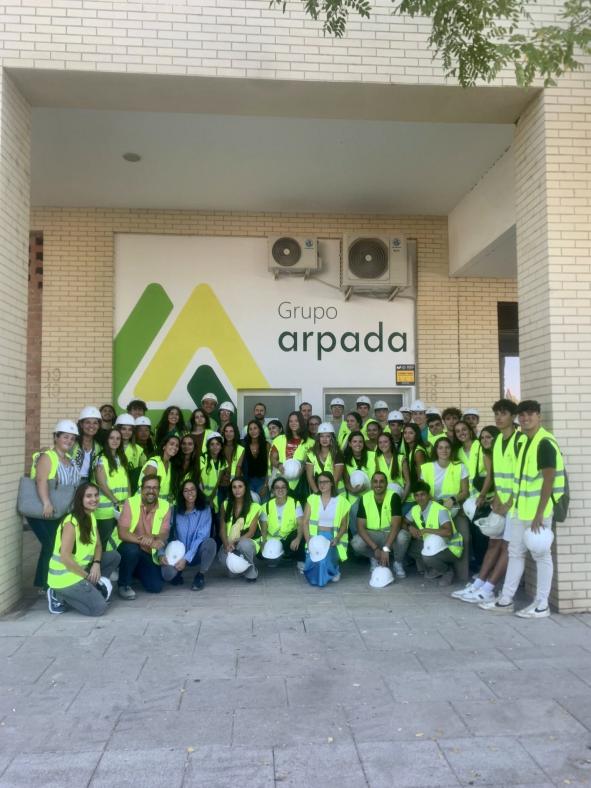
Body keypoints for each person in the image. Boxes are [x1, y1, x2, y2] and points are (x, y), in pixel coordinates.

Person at [480, 399, 566, 618]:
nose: (526, 419)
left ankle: (542, 604)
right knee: (515, 553)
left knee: (541, 556)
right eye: (523, 415)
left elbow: (549, 479)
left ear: (539, 416)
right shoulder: (526, 441)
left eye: (530, 414)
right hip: (520, 510)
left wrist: (539, 513)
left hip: (538, 513)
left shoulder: (544, 442)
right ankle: (506, 600)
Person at [454, 406, 515, 604]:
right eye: (484, 438)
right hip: (497, 503)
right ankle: (481, 583)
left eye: (489, 437)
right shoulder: (494, 451)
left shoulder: (506, 448)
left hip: (510, 506)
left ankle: (490, 588)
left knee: (505, 547)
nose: (486, 440)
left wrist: (492, 498)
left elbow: (505, 478)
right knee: (494, 543)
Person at [46, 482, 121, 616]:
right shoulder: (71, 522)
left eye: (96, 495)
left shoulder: (91, 516)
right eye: (88, 496)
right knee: (99, 608)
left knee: (114, 556)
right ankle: (58, 595)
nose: (94, 499)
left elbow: (98, 545)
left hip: (79, 569)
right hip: (64, 576)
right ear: (80, 499)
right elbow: (65, 557)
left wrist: (96, 564)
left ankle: (89, 590)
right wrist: (87, 577)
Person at [29, 419, 81, 590]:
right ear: (56, 437)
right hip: (43, 511)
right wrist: (46, 503)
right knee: (53, 546)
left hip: (61, 512)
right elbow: (41, 479)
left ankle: (42, 583)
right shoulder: (48, 457)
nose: (69, 441)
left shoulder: (70, 459)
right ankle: (48, 585)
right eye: (65, 437)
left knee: (50, 546)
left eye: (72, 438)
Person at [419, 436, 470, 580]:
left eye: (447, 447)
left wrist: (453, 499)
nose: (444, 450)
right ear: (436, 450)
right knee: (432, 540)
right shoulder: (427, 467)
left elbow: (465, 491)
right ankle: (439, 568)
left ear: (451, 450)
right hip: (434, 511)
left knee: (464, 538)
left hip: (455, 510)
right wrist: (435, 503)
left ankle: (462, 576)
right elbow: (422, 492)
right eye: (440, 447)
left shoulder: (459, 466)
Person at [116, 475, 171, 598]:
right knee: (131, 550)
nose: (151, 491)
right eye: (148, 487)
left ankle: (133, 571)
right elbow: (122, 532)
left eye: (155, 488)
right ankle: (124, 584)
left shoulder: (165, 506)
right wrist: (146, 541)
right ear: (141, 489)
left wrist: (156, 538)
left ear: (159, 490)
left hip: (148, 554)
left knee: (156, 587)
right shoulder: (130, 502)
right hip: (130, 547)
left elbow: (164, 533)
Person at [404, 481, 464, 586]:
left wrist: (427, 530)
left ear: (428, 495)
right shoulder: (415, 509)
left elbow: (448, 532)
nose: (420, 498)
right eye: (416, 495)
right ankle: (435, 568)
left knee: (428, 556)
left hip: (451, 547)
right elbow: (403, 522)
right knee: (408, 545)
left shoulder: (439, 509)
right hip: (433, 544)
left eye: (422, 494)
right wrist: (410, 527)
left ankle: (447, 571)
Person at [162, 480, 216, 590]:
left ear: (197, 491)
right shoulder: (174, 510)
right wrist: (161, 553)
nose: (189, 493)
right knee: (167, 575)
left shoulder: (205, 509)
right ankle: (178, 572)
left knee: (210, 543)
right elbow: (164, 532)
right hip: (177, 552)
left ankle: (200, 575)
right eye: (185, 491)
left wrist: (186, 558)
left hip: (196, 552)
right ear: (182, 494)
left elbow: (202, 536)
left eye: (192, 489)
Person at [351, 472, 404, 577]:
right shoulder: (364, 498)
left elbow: (396, 526)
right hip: (373, 534)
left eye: (381, 481)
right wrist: (375, 548)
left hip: (389, 533)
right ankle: (375, 557)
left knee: (403, 536)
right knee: (356, 542)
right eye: (375, 482)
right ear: (371, 484)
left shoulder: (394, 497)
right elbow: (360, 527)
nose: (378, 484)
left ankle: (398, 562)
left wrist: (386, 548)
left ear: (386, 483)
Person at [302, 471, 350, 587]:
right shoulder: (312, 499)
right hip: (315, 536)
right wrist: (308, 541)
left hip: (332, 538)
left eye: (325, 482)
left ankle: (334, 570)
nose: (322, 485)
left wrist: (337, 538)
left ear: (332, 483)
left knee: (323, 560)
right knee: (313, 561)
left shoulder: (342, 501)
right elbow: (305, 522)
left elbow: (344, 525)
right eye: (319, 482)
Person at [93, 427, 131, 550]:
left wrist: (128, 500)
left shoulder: (121, 458)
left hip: (120, 508)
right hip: (106, 510)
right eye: (111, 438)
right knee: (103, 543)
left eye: (118, 438)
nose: (115, 441)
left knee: (116, 540)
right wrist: (116, 501)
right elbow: (101, 483)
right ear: (106, 440)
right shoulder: (101, 459)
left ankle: (112, 565)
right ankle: (100, 568)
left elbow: (127, 481)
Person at [218, 477, 262, 582]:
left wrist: (235, 542)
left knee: (244, 545)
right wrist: (226, 545)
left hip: (247, 541)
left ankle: (251, 572)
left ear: (245, 488)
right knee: (232, 573)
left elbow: (251, 533)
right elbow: (222, 530)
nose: (237, 490)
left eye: (240, 487)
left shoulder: (254, 507)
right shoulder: (225, 505)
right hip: (229, 543)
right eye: (234, 487)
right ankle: (241, 567)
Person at [259, 476, 305, 563]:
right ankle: (278, 557)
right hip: (272, 538)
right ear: (272, 490)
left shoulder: (295, 503)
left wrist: (298, 538)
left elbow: (300, 524)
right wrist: (263, 543)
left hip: (287, 538)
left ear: (287, 489)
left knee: (301, 536)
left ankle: (300, 561)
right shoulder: (266, 506)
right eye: (277, 487)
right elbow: (264, 530)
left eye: (283, 487)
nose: (280, 490)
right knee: (260, 555)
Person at [270, 411, 312, 499]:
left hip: (301, 482)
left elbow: (310, 462)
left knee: (299, 508)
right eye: (290, 421)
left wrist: (303, 467)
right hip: (281, 480)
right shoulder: (279, 439)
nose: (293, 423)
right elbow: (273, 458)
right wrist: (279, 464)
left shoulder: (310, 442)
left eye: (296, 421)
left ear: (301, 422)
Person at [343, 430, 376, 534]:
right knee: (356, 526)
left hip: (371, 495)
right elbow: (346, 481)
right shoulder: (345, 459)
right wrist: (353, 490)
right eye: (355, 441)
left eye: (360, 441)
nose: (358, 444)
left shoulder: (372, 455)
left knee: (372, 525)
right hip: (354, 497)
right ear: (349, 443)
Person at [139, 434, 181, 503]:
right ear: (164, 446)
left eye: (177, 446)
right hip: (146, 504)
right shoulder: (153, 463)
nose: (174, 447)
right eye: (172, 444)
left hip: (161, 505)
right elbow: (149, 490)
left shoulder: (171, 465)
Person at [305, 423, 344, 494]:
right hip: (318, 492)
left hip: (336, 492)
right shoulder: (311, 454)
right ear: (318, 438)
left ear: (332, 438)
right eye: (322, 436)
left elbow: (336, 478)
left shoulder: (337, 454)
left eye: (328, 436)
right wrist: (317, 492)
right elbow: (310, 477)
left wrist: (327, 494)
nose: (324, 439)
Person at [401, 422, 429, 519]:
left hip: (416, 496)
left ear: (416, 434)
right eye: (405, 433)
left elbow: (421, 478)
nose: (407, 435)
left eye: (411, 433)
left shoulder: (418, 452)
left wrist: (418, 498)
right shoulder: (410, 450)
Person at [375, 432, 410, 500]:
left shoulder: (401, 458)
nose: (383, 445)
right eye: (380, 442)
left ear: (391, 443)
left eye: (385, 442)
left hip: (399, 492)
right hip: (383, 494)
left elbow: (408, 482)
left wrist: (402, 500)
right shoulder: (376, 459)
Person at [199, 432, 228, 514]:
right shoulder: (203, 458)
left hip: (215, 494)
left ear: (221, 446)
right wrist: (204, 495)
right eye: (212, 444)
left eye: (218, 444)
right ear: (208, 446)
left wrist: (212, 495)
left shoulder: (223, 460)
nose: (215, 447)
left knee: (216, 515)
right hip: (202, 494)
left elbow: (219, 479)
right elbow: (198, 477)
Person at [116, 413, 145, 494]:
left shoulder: (139, 450)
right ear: (117, 429)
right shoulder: (111, 448)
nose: (127, 432)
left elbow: (143, 471)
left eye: (130, 429)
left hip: (132, 487)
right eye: (123, 429)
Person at [242, 420, 270, 500]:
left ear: (260, 430)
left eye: (255, 428)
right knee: (250, 507)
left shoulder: (266, 445)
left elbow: (269, 467)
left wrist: (265, 485)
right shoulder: (244, 445)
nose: (253, 431)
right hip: (248, 481)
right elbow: (240, 466)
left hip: (262, 481)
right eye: (250, 429)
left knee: (264, 507)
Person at [73, 406, 102, 482]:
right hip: (72, 483)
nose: (91, 426)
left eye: (95, 423)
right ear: (81, 425)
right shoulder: (72, 442)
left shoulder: (99, 447)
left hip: (91, 483)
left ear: (99, 426)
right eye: (87, 422)